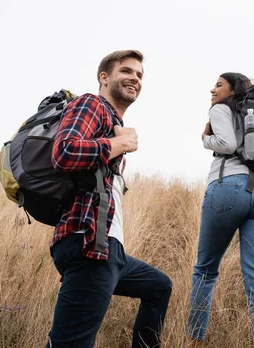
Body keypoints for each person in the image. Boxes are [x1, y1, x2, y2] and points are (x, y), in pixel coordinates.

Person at [47, 50, 172, 348]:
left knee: (158, 287)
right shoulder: (91, 104)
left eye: (139, 75)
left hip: (107, 250)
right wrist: (119, 142)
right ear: (104, 77)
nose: (135, 78)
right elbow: (64, 152)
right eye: (126, 71)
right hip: (90, 246)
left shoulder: (112, 120)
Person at [187, 73, 254, 347]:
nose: (212, 90)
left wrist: (205, 139)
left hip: (228, 187)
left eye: (218, 85)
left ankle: (195, 341)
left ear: (232, 90)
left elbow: (226, 144)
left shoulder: (220, 109)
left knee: (205, 271)